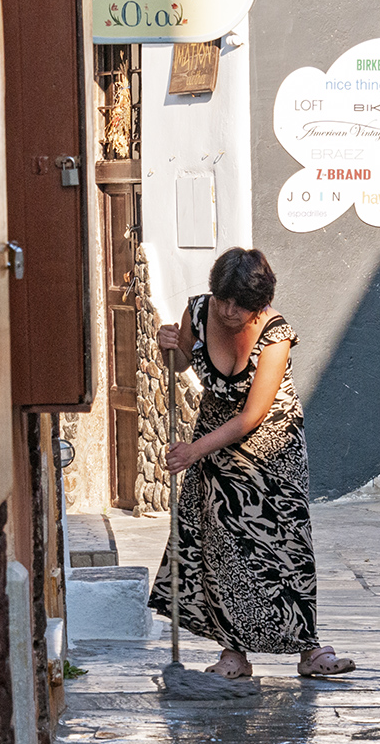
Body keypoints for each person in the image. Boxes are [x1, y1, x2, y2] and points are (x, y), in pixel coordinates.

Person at [148, 247, 355, 680]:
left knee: (285, 547)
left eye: (240, 305)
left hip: (272, 447)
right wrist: (169, 346)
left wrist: (194, 450)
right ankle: (234, 653)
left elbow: (252, 416)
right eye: (222, 299)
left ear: (260, 304)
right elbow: (183, 361)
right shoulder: (199, 312)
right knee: (223, 547)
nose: (228, 311)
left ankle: (308, 649)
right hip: (215, 441)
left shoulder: (276, 335)